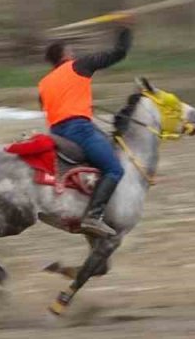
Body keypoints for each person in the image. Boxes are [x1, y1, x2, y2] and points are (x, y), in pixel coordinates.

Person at [38, 19, 135, 238]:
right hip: (79, 129)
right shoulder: (77, 66)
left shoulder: (44, 82)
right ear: (64, 56)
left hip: (56, 133)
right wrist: (125, 29)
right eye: (70, 51)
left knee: (102, 148)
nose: (74, 53)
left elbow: (49, 106)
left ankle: (80, 202)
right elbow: (119, 53)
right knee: (114, 169)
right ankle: (93, 215)